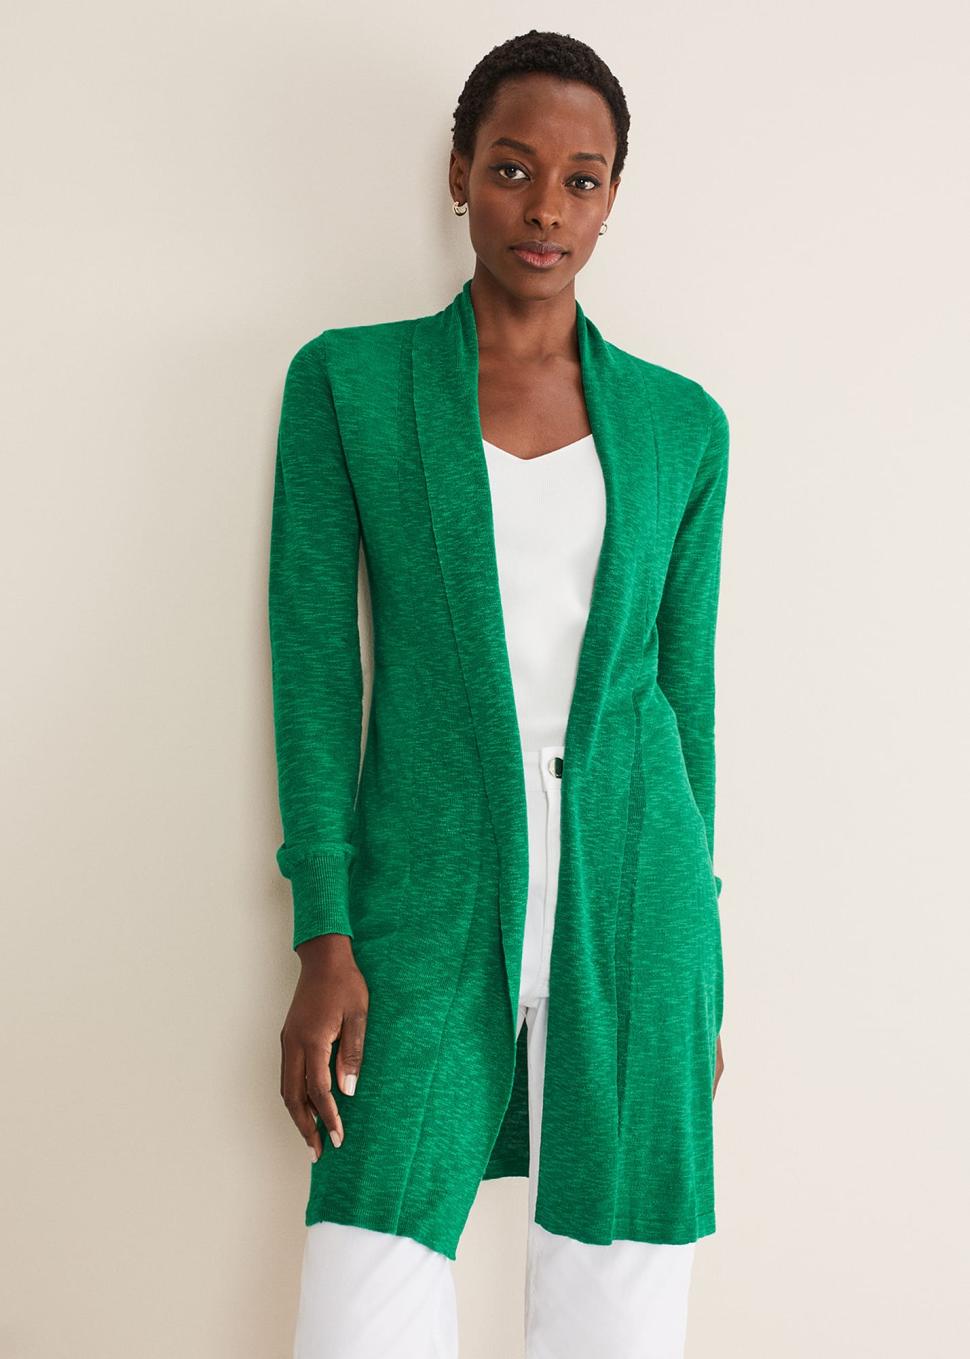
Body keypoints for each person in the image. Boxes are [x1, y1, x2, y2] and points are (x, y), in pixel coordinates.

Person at [269, 29, 729, 1359]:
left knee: (618, 1306)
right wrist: (323, 929)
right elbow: (314, 664)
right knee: (365, 1284)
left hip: (634, 903)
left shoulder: (683, 426)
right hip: (426, 895)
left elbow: (684, 697)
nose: (545, 208)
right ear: (459, 172)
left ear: (612, 199)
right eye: (515, 168)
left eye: (582, 180)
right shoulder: (350, 383)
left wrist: (701, 956)